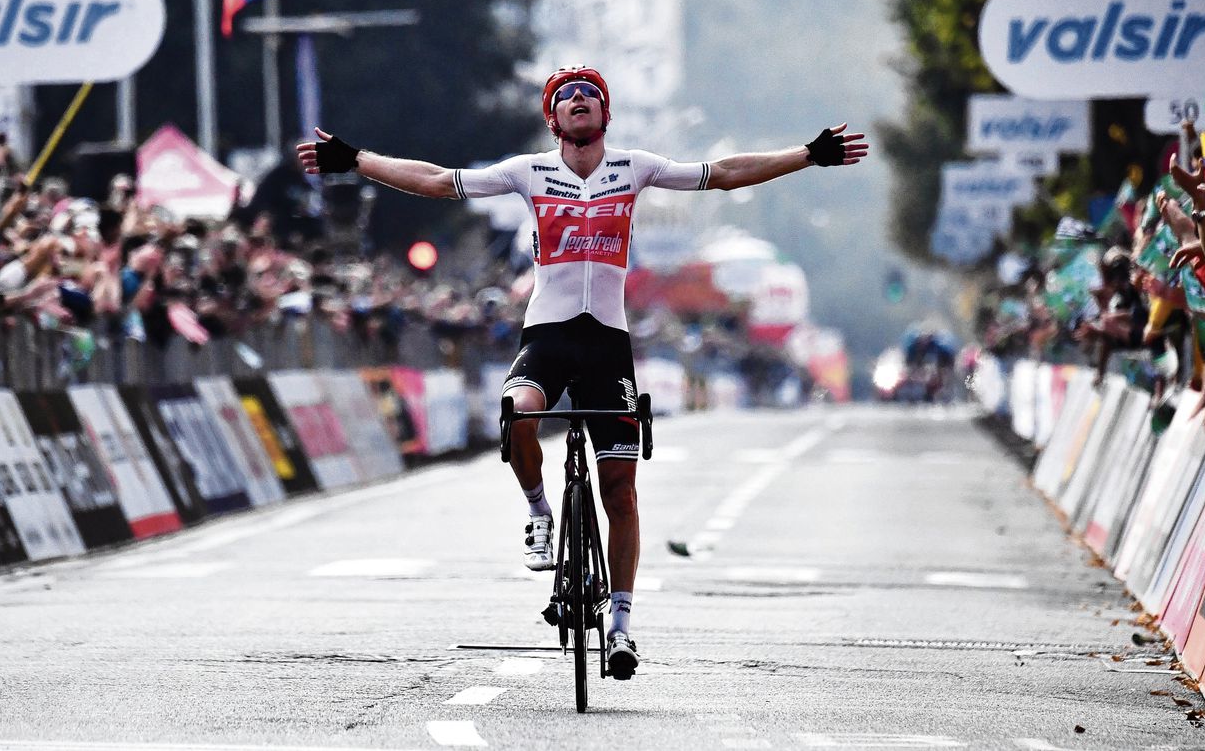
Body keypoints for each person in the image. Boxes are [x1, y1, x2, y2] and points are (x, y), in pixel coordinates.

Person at [297, 65, 868, 678]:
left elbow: (724, 175)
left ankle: (621, 625)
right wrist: (355, 160)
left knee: (619, 492)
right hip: (547, 336)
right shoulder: (527, 172)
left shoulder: (636, 167)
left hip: (608, 346)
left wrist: (809, 155)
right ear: (553, 119)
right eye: (565, 96)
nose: (577, 100)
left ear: (605, 115)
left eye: (589, 94)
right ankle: (540, 513)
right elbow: (438, 182)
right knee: (517, 412)